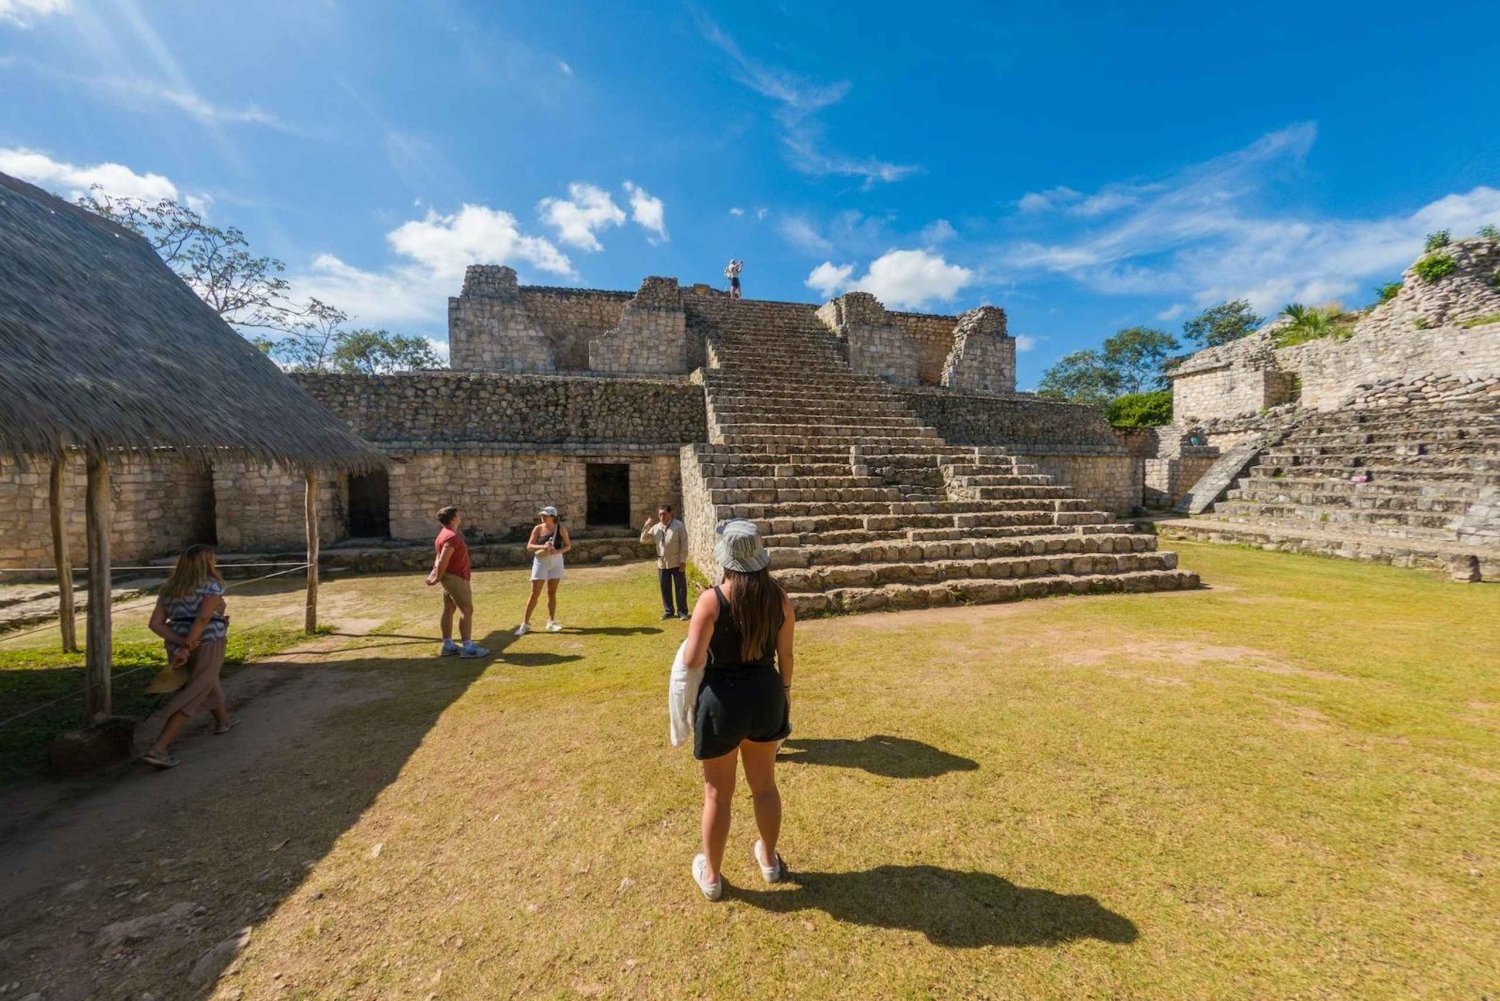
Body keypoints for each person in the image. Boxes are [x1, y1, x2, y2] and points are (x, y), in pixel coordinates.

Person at [680, 519, 795, 900]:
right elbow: (786, 655)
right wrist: (786, 690)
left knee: (717, 793)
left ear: (726, 560)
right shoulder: (778, 598)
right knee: (765, 787)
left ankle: (711, 875)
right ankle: (769, 859)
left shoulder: (712, 600)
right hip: (765, 692)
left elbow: (694, 657)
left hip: (723, 701)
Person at [141, 544, 236, 769]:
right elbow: (202, 620)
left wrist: (179, 642)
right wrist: (189, 645)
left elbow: (155, 624)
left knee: (205, 680)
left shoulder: (169, 588)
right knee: (196, 689)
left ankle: (223, 721)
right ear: (206, 563)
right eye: (212, 559)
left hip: (177, 642)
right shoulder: (212, 585)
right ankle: (160, 747)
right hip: (208, 641)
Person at [425, 505, 488, 659]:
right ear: (453, 518)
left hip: (450, 577)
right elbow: (444, 557)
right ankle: (468, 648)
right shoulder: (451, 537)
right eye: (458, 514)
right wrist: (437, 576)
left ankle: (448, 645)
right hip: (455, 577)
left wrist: (436, 574)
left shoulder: (444, 534)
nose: (460, 516)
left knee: (449, 608)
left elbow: (439, 558)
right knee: (467, 609)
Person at [518, 505, 570, 635]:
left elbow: (568, 546)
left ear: (553, 517)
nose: (542, 517)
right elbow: (529, 546)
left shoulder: (561, 528)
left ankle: (551, 622)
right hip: (541, 562)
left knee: (552, 593)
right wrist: (544, 546)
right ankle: (525, 624)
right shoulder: (538, 528)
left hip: (556, 562)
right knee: (534, 593)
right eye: (542, 515)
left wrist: (557, 551)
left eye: (545, 515)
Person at [642, 504, 689, 621]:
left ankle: (682, 612)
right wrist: (646, 526)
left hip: (677, 562)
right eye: (660, 514)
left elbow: (684, 543)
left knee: (680, 588)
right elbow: (643, 540)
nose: (662, 516)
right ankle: (668, 611)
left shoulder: (679, 526)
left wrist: (683, 560)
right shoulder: (656, 527)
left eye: (664, 514)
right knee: (665, 588)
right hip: (662, 563)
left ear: (670, 513)